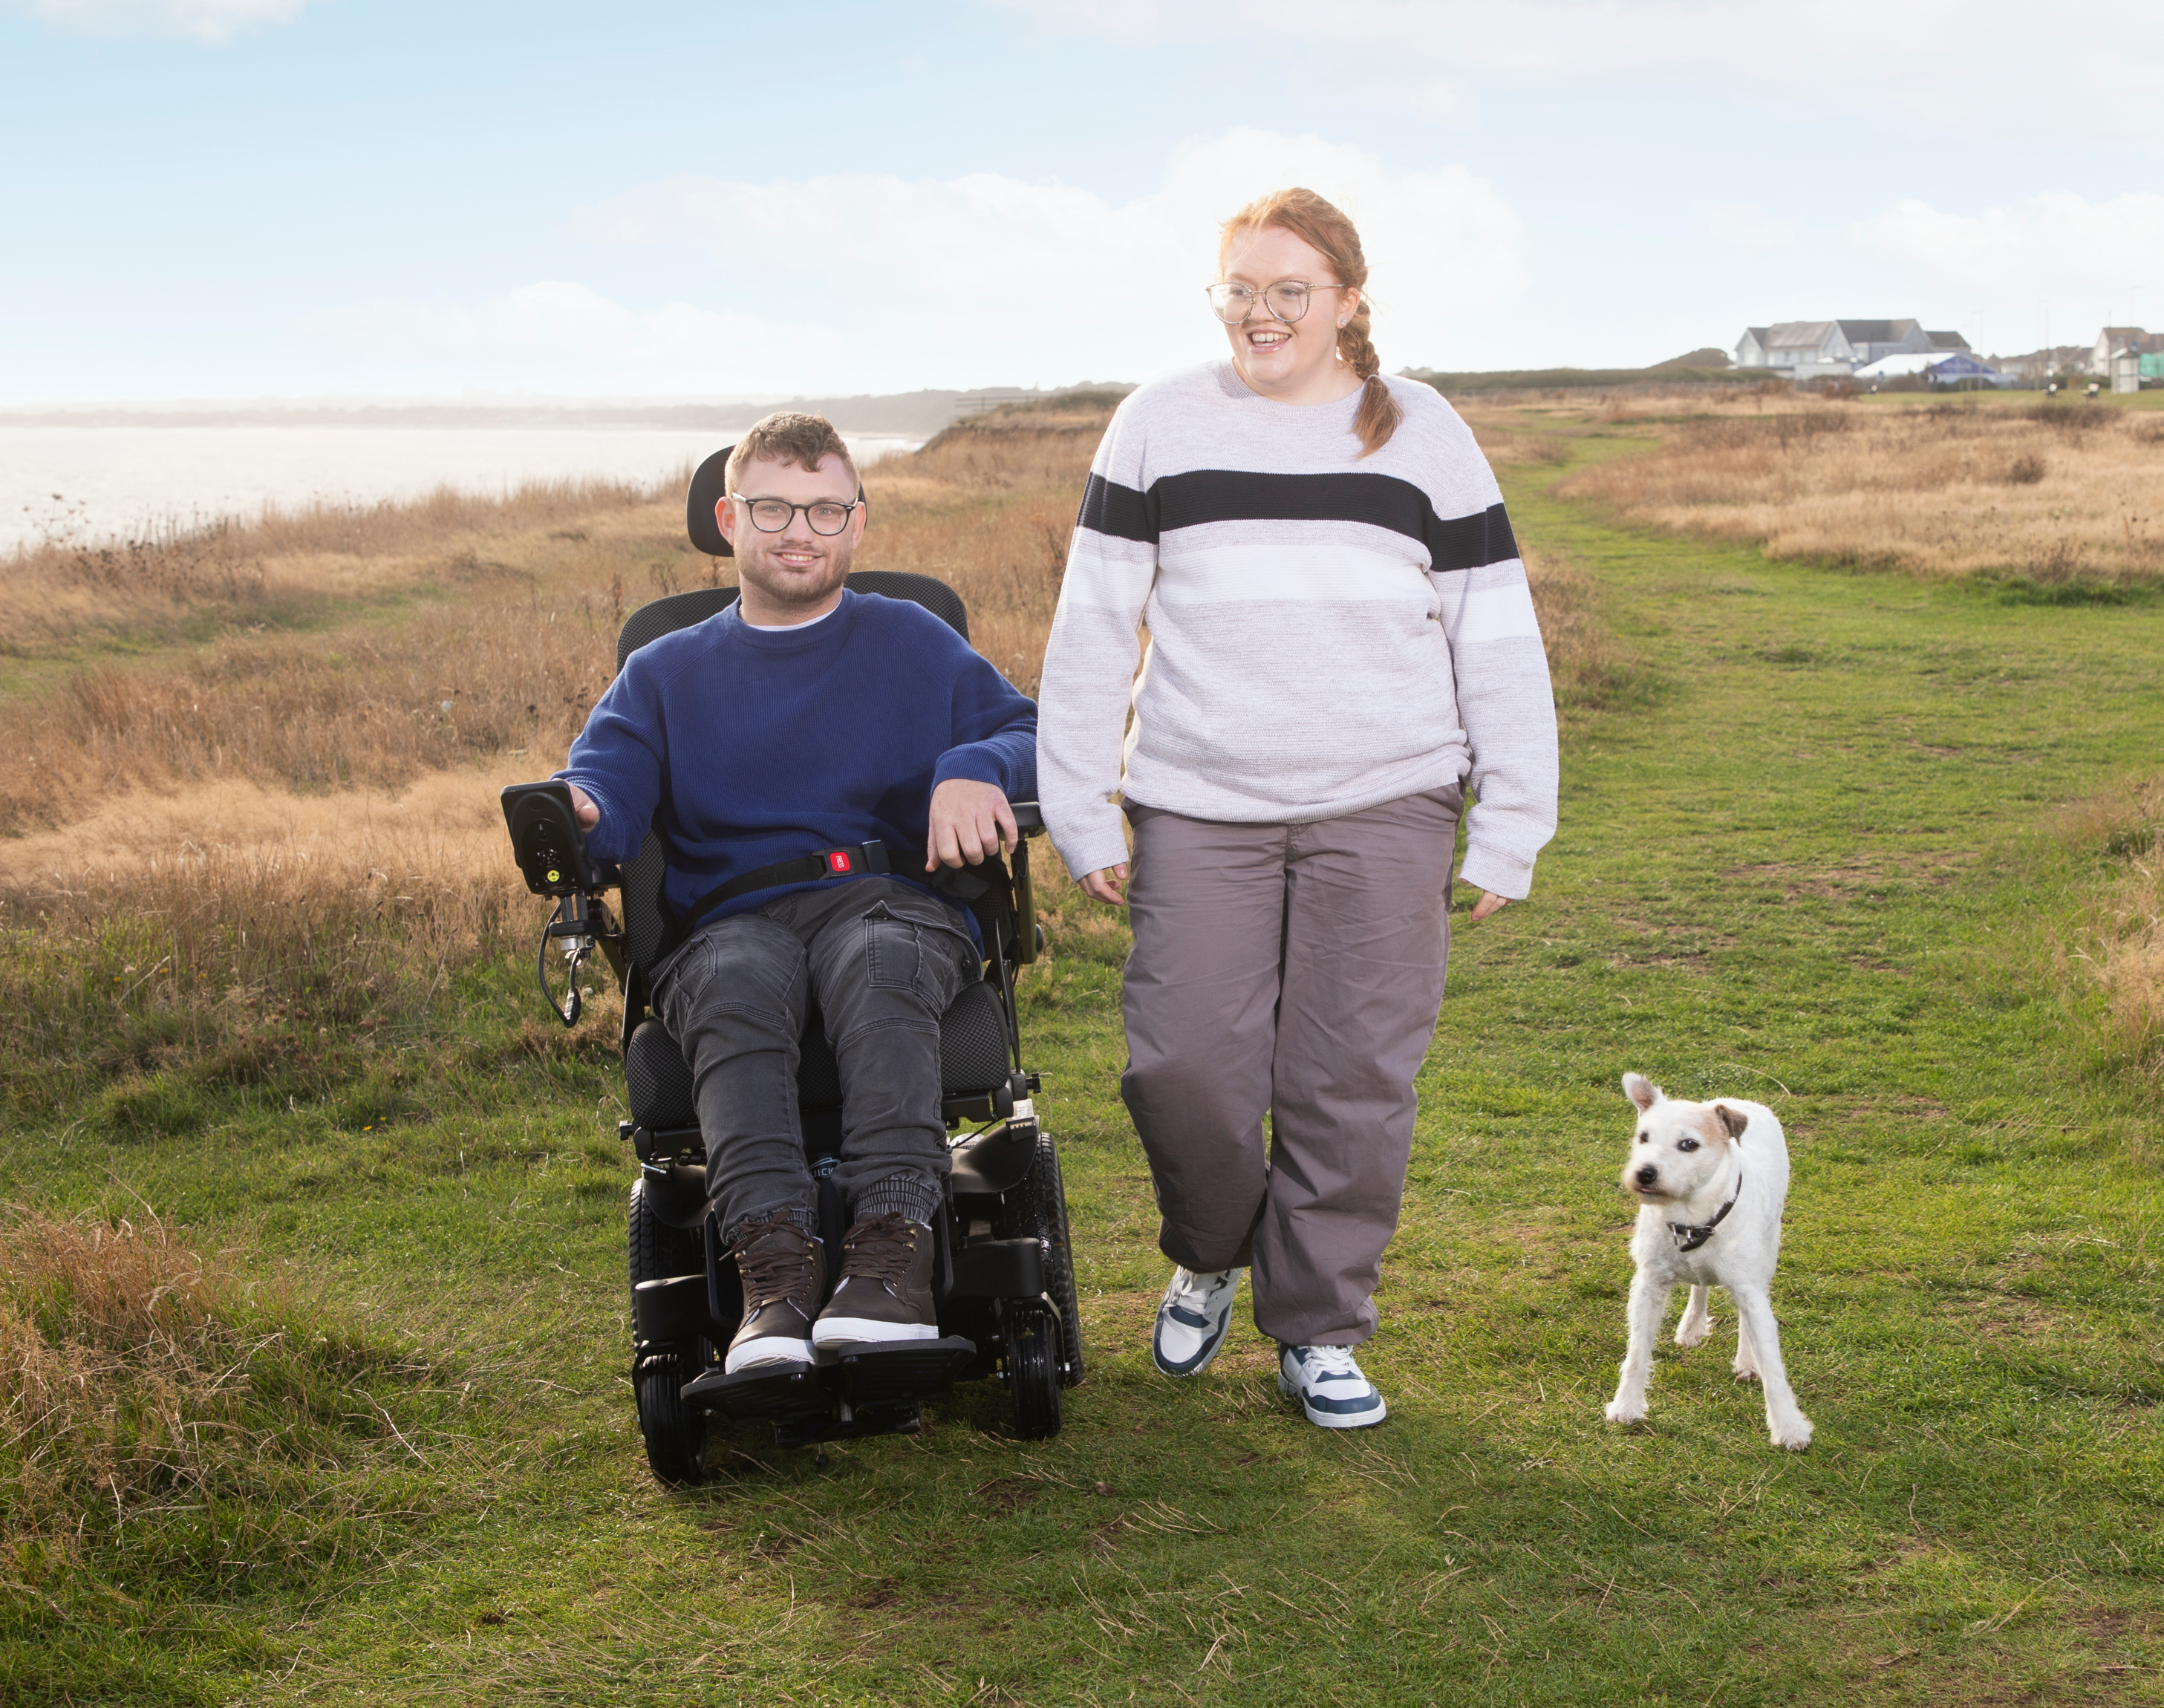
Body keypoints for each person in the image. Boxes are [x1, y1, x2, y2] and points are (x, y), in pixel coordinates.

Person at [1038, 188, 1559, 1430]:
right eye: (1241, 290)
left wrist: (1512, 819)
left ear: (1347, 304)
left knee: (1350, 1080)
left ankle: (1319, 1327)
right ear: (1217, 298)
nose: (1261, 314)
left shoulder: (1423, 433)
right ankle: (1210, 1251)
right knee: (1183, 1072)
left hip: (1386, 803)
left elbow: (1495, 630)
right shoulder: (1158, 423)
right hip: (1197, 805)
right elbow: (1095, 626)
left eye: (1291, 291)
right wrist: (1082, 806)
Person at [558, 411, 1036, 1394]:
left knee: (878, 956)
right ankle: (775, 1278)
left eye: (825, 510)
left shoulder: (913, 640)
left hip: (885, 897)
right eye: (774, 507)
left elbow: (1033, 732)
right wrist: (574, 810)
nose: (800, 531)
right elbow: (604, 797)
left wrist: (977, 766)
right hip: (730, 919)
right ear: (731, 518)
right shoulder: (663, 673)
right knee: (735, 974)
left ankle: (891, 1265)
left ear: (857, 524)